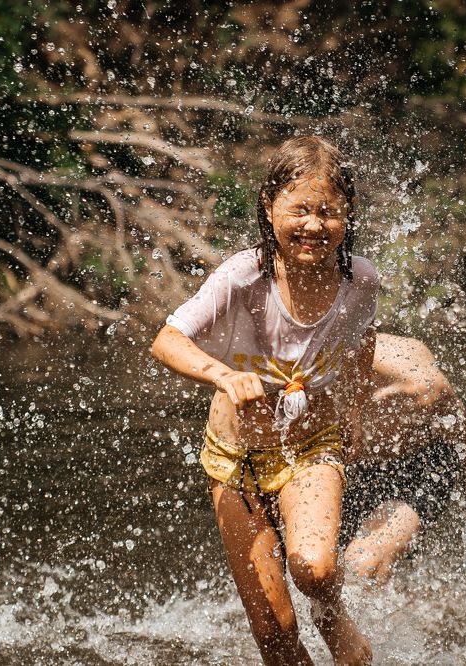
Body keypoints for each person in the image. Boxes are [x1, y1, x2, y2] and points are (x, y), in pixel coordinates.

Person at [151, 136, 377, 665]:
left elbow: (363, 343)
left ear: (348, 217)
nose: (314, 226)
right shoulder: (241, 276)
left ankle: (331, 614)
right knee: (275, 634)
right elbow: (167, 339)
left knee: (315, 569)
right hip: (236, 462)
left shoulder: (359, 281)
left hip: (313, 446)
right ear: (269, 205)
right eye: (299, 209)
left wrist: (356, 416)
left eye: (329, 212)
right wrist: (222, 375)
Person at [342, 333, 466, 593]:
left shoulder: (422, 387)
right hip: (353, 470)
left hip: (422, 469)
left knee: (364, 561)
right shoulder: (307, 371)